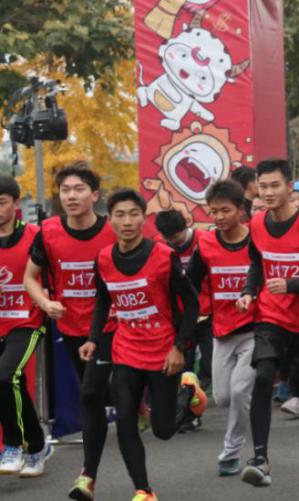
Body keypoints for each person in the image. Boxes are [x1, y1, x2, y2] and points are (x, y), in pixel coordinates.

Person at [83, 188, 205, 501]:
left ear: (143, 218)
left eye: (134, 214)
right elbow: (102, 300)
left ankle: (189, 389)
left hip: (164, 352)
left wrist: (180, 347)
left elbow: (192, 303)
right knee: (125, 420)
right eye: (120, 215)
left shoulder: (163, 256)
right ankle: (144, 490)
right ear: (110, 220)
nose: (127, 222)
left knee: (163, 430)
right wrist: (93, 339)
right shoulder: (104, 258)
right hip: (125, 350)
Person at [236, 158, 299, 487]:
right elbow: (257, 263)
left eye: (275, 186)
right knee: (263, 376)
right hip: (270, 315)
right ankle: (260, 459)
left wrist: (292, 284)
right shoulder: (256, 224)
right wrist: (249, 291)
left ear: (290, 186)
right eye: (263, 187)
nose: (268, 192)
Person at [23, 163, 117, 501]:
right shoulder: (48, 232)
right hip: (71, 325)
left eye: (79, 189)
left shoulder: (113, 231)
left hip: (110, 326)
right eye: (65, 190)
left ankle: (87, 477)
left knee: (89, 395)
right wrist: (45, 303)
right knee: (98, 394)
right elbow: (29, 277)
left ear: (94, 195)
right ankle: (136, 400)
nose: (71, 196)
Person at [187, 180, 257, 476]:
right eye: (213, 211)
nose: (218, 217)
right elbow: (189, 284)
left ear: (241, 210)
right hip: (222, 330)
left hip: (255, 328)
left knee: (239, 392)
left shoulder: (257, 240)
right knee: (223, 398)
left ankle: (231, 452)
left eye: (225, 210)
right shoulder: (205, 244)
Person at [0, 177, 51, 478]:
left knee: (6, 376)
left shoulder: (35, 236)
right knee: (10, 384)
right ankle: (37, 447)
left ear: (16, 204)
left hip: (26, 321)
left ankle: (13, 445)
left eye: (2, 203)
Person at [155, 209, 212, 420]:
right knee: (182, 370)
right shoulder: (158, 247)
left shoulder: (204, 241)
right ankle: (187, 415)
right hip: (179, 318)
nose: (173, 242)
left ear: (186, 225)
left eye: (176, 237)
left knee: (209, 365)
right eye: (168, 238)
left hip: (207, 313)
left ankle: (198, 398)